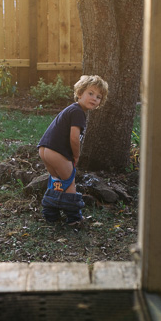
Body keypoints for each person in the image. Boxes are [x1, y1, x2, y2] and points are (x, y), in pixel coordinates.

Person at [37, 74, 108, 225]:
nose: (94, 98)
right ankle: (74, 219)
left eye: (99, 97)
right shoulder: (78, 112)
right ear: (80, 93)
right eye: (90, 93)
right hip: (57, 152)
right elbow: (74, 138)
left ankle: (51, 214)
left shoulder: (72, 109)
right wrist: (76, 155)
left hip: (45, 150)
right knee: (69, 183)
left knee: (56, 182)